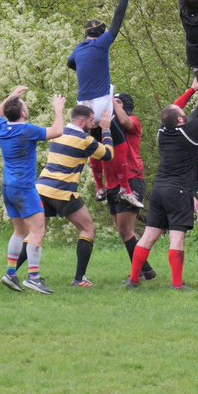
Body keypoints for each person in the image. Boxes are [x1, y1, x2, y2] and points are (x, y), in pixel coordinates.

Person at [127, 75, 198, 290]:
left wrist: (192, 90)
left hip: (159, 190)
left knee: (149, 236)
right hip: (178, 192)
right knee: (177, 239)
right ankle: (177, 285)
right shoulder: (188, 133)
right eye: (183, 115)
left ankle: (133, 280)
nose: (185, 114)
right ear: (180, 120)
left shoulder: (163, 132)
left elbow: (171, 109)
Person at [0, 86, 65, 294]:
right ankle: (33, 278)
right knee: (37, 230)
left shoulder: (1, 127)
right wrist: (58, 110)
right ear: (23, 113)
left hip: (8, 187)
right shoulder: (26, 130)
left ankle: (11, 273)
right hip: (24, 188)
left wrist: (11, 97)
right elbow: (57, 132)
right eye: (24, 105)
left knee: (20, 231)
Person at [36, 104, 115, 288]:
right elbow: (108, 155)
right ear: (81, 121)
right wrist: (106, 130)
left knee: (37, 233)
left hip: (41, 188)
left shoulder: (59, 133)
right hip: (63, 190)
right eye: (90, 120)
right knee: (88, 229)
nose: (93, 124)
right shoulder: (85, 139)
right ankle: (79, 279)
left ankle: (14, 273)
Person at [68, 0, 134, 160]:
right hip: (100, 104)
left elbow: (69, 63)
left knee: (90, 148)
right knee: (116, 144)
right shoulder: (101, 44)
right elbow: (117, 20)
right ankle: (123, 184)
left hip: (82, 107)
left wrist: (84, 69)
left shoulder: (79, 49)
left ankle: (99, 187)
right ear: (101, 34)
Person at [101, 93, 155, 278]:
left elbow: (124, 121)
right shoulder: (108, 124)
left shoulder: (133, 120)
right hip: (113, 182)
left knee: (126, 230)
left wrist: (113, 102)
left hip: (132, 179)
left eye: (117, 102)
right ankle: (145, 270)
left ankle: (140, 272)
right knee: (123, 231)